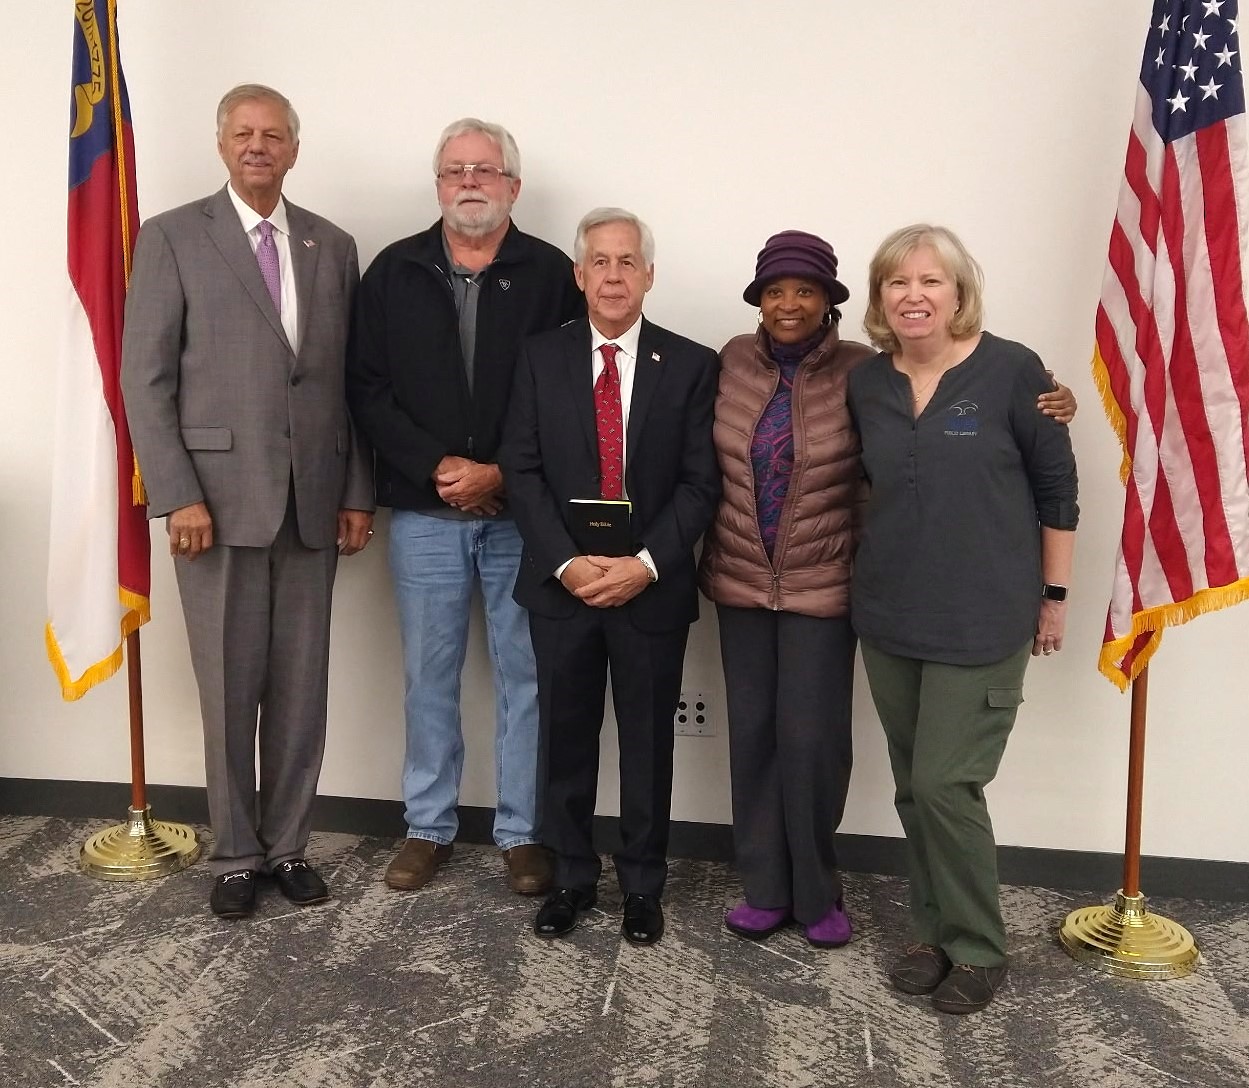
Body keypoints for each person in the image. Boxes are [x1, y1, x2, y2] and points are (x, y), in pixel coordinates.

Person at [698, 231, 1077, 952]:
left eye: (804, 290)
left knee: (858, 760)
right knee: (786, 749)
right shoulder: (763, 366)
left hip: (857, 590)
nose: (788, 303)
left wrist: (1055, 401)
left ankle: (858, 906)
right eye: (774, 290)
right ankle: (786, 894)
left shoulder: (877, 371)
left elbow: (1031, 461)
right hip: (785, 587)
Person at [121, 84, 374, 918]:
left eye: (272, 134)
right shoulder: (171, 237)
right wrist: (177, 494)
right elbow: (145, 379)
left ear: (294, 149)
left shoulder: (332, 245)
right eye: (243, 133)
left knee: (302, 689)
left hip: (313, 502)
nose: (258, 145)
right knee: (229, 689)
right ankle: (235, 854)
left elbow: (349, 383)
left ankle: (288, 846)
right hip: (215, 508)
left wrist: (356, 491)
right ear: (222, 144)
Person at [347, 119, 583, 898]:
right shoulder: (394, 270)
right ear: (439, 185)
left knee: (527, 676)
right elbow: (367, 389)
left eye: (485, 169)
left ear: (513, 184)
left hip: (523, 516)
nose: (470, 182)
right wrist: (436, 465)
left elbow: (567, 394)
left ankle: (522, 833)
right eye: (455, 170)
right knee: (428, 676)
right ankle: (426, 826)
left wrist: (500, 474)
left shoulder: (552, 275)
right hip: (425, 514)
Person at [847, 224, 1079, 1014]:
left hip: (982, 615)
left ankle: (978, 946)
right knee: (913, 789)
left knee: (945, 782)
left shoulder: (1014, 372)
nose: (912, 295)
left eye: (930, 280)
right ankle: (930, 933)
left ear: (957, 292)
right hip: (888, 613)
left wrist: (1053, 598)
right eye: (896, 281)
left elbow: (1056, 491)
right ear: (879, 297)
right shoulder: (865, 383)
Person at [501, 208, 720, 946]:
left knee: (648, 742)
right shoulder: (540, 357)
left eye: (628, 262)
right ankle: (570, 876)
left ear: (649, 275)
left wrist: (644, 564)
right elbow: (522, 469)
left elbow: (700, 482)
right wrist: (566, 562)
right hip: (562, 587)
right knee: (564, 738)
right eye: (600, 261)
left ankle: (642, 884)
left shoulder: (689, 364)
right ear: (578, 274)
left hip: (649, 588)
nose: (614, 275)